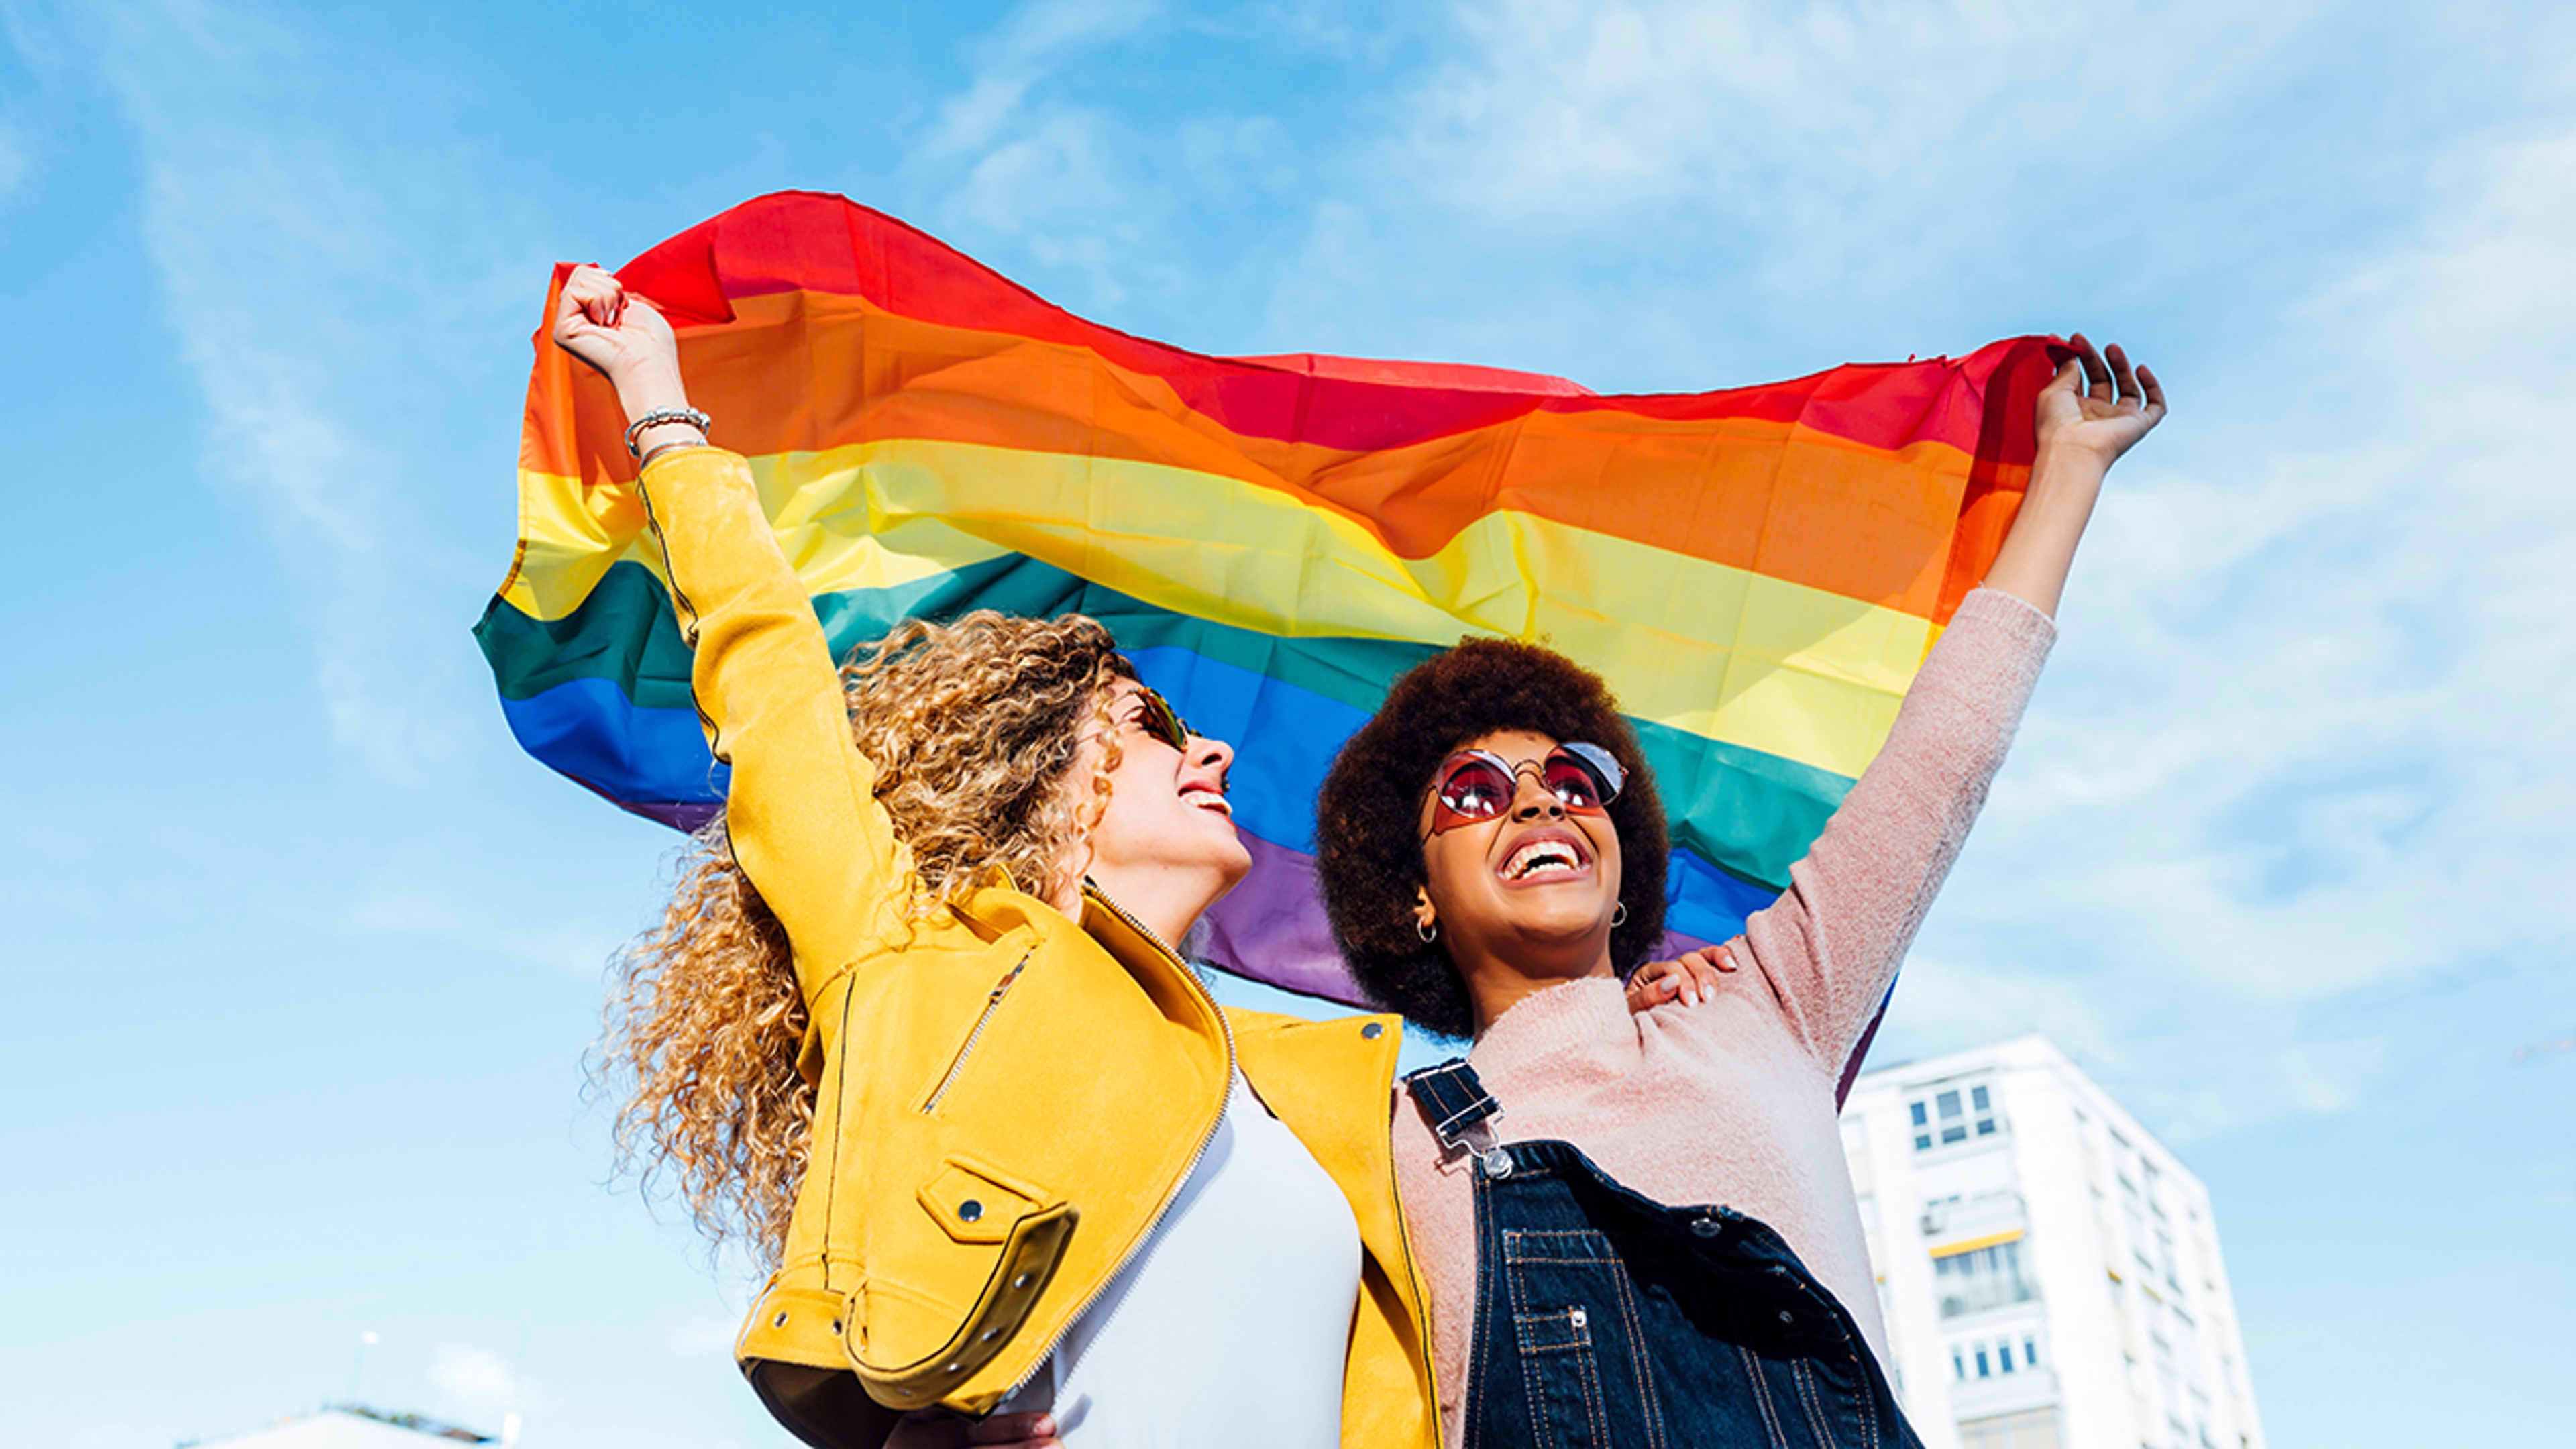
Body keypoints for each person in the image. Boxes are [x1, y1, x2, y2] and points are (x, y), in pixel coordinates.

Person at [550, 264, 1442, 1449]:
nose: (1212, 748)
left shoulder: (1306, 1084)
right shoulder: (916, 966)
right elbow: (775, 691)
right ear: (1036, 778)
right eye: (1152, 725)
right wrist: (659, 404)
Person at [1313, 339, 2165, 1448]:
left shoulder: (1769, 1008)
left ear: (1623, 871)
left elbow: (1940, 763)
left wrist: (2069, 469)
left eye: (1577, 782)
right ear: (1412, 894)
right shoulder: (1380, 1141)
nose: (1540, 805)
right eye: (1475, 792)